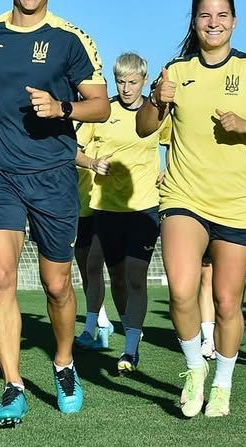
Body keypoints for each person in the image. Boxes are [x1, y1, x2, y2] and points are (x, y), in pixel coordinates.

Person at [0, 0, 109, 426]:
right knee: (1, 275)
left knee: (57, 283)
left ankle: (64, 362)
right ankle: (12, 386)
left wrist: (61, 107)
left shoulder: (72, 40)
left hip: (52, 175)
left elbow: (101, 104)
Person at [135, 0, 246, 418]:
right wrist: (154, 99)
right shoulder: (175, 70)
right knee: (182, 293)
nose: (214, 23)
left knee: (227, 302)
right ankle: (194, 370)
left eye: (222, 15)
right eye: (205, 16)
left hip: (238, 202)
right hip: (184, 197)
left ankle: (222, 381)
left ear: (234, 22)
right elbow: (144, 128)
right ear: (194, 21)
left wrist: (245, 124)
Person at [75, 52, 172, 373]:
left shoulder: (155, 112)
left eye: (132, 82)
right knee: (114, 276)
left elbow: (177, 142)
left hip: (144, 207)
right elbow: (73, 148)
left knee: (135, 276)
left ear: (144, 81)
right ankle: (125, 328)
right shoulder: (104, 112)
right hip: (105, 208)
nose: (127, 88)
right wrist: (92, 163)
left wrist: (169, 170)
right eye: (121, 81)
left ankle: (131, 348)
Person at [71, 160, 115, 351]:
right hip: (78, 211)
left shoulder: (98, 134)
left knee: (96, 268)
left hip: (102, 208)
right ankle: (104, 323)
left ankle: (98, 328)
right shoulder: (66, 133)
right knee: (86, 272)